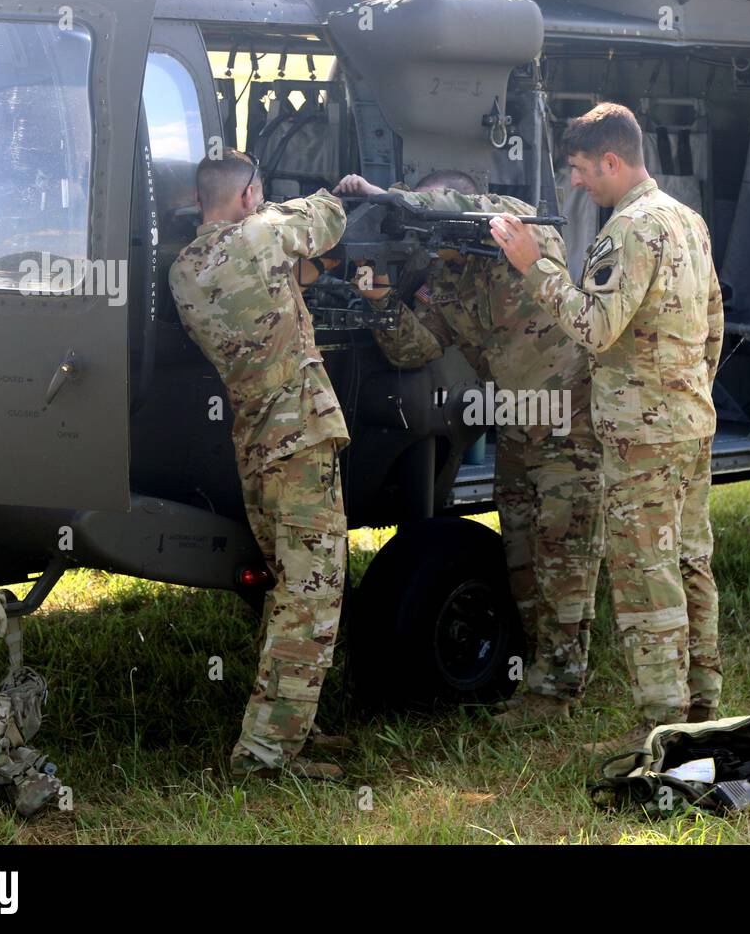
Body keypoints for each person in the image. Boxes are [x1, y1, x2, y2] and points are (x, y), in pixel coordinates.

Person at [490, 103, 724, 753]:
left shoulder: (628, 232)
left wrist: (533, 264)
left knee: (644, 575)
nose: (576, 183)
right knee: (690, 562)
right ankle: (703, 703)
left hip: (642, 438)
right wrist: (691, 396)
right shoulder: (689, 222)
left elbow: (594, 327)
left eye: (582, 170)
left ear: (613, 162)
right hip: (690, 425)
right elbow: (712, 326)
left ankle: (663, 729)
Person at [334, 169, 603, 726]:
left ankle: (559, 688)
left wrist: (389, 198)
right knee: (523, 553)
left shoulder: (519, 229)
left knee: (565, 555)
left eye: (432, 212)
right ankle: (541, 669)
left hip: (568, 423)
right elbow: (418, 347)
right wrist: (380, 299)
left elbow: (473, 206)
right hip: (517, 427)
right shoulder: (449, 277)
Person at [169, 149, 350, 779]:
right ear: (249, 196)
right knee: (313, 593)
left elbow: (263, 292)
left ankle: (290, 721)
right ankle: (266, 753)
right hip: (298, 437)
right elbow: (328, 218)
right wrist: (342, 188)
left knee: (288, 588)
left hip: (255, 442)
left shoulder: (185, 269)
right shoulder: (263, 233)